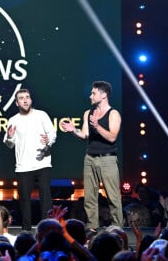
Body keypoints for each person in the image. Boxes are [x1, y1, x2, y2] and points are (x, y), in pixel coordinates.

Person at [61, 80, 123, 230]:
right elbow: (84, 135)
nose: (90, 95)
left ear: (103, 95)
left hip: (107, 158)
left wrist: (97, 126)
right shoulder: (88, 113)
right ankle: (92, 228)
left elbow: (112, 137)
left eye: (93, 93)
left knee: (113, 196)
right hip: (90, 158)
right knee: (89, 197)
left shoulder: (113, 113)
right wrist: (73, 130)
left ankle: (117, 227)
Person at [4, 88, 56, 231]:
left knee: (45, 198)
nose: (25, 100)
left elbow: (52, 134)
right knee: (24, 199)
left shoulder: (42, 115)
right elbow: (9, 144)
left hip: (42, 163)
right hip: (23, 166)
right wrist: (9, 136)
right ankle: (26, 229)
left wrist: (48, 141)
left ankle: (47, 228)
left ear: (31, 100)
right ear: (16, 103)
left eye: (27, 97)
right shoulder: (13, 120)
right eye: (22, 98)